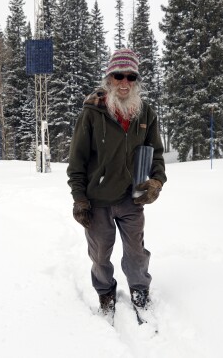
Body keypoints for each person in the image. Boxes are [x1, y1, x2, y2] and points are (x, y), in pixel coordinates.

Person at [66, 48, 167, 319]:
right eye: (119, 76)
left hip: (131, 198)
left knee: (136, 252)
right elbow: (77, 161)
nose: (124, 82)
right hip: (97, 200)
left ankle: (139, 289)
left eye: (131, 77)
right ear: (109, 79)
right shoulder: (92, 112)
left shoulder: (145, 113)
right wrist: (79, 199)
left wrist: (156, 181)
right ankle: (105, 292)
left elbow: (155, 152)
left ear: (136, 80)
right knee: (100, 255)